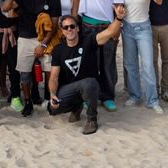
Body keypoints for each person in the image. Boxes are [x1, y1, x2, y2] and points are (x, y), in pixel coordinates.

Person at [47, 7, 125, 135]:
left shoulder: (88, 41)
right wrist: (52, 94)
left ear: (78, 28)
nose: (69, 30)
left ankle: (91, 119)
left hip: (89, 85)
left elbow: (109, 32)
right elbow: (54, 77)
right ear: (62, 31)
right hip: (70, 88)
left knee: (90, 84)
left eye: (72, 26)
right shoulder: (58, 50)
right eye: (66, 28)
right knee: (53, 109)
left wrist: (119, 18)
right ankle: (76, 107)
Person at [73, 0, 124, 112]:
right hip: (88, 26)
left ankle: (108, 96)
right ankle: (89, 96)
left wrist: (117, 28)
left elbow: (118, 3)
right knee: (90, 64)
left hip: (107, 26)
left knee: (108, 64)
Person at [4, 0, 61, 117]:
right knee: (24, 73)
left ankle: (49, 99)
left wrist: (43, 44)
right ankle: (28, 101)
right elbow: (5, 8)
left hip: (45, 37)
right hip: (25, 36)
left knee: (50, 69)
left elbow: (54, 26)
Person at [121, 0, 164, 113]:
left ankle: (152, 100)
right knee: (130, 64)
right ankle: (134, 95)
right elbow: (117, 6)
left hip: (144, 28)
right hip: (127, 28)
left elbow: (159, 1)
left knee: (147, 65)